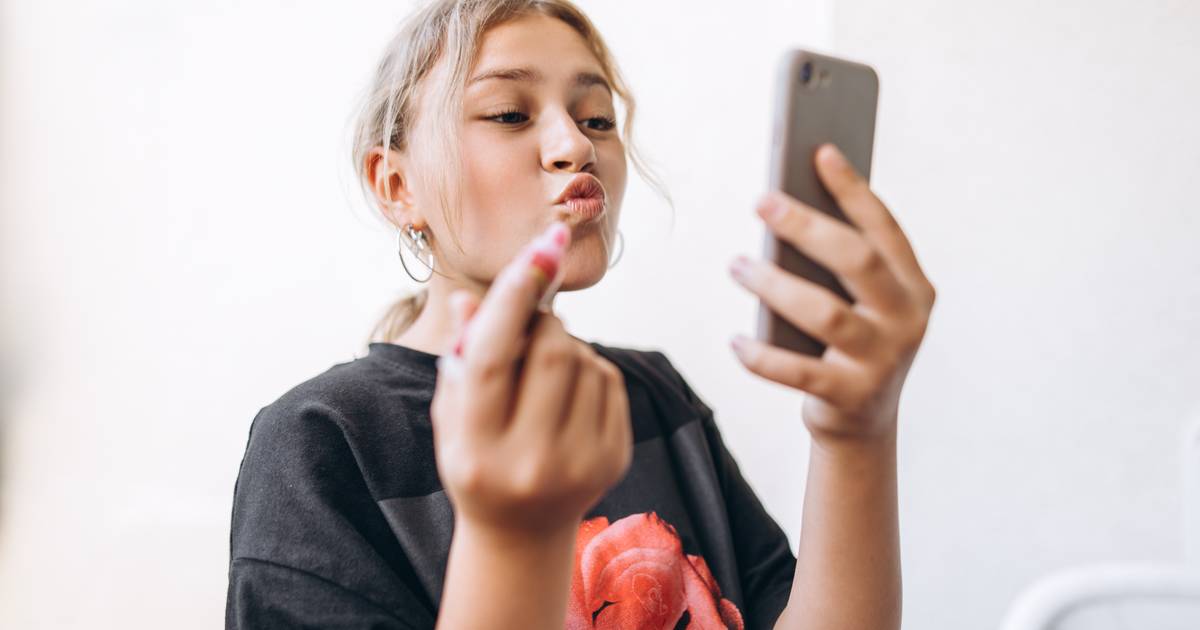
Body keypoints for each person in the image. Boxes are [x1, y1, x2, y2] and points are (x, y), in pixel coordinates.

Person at [225, 1, 937, 628]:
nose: (578, 146)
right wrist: (511, 541)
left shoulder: (656, 399)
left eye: (597, 118)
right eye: (509, 113)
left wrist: (856, 436)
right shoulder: (323, 442)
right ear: (395, 185)